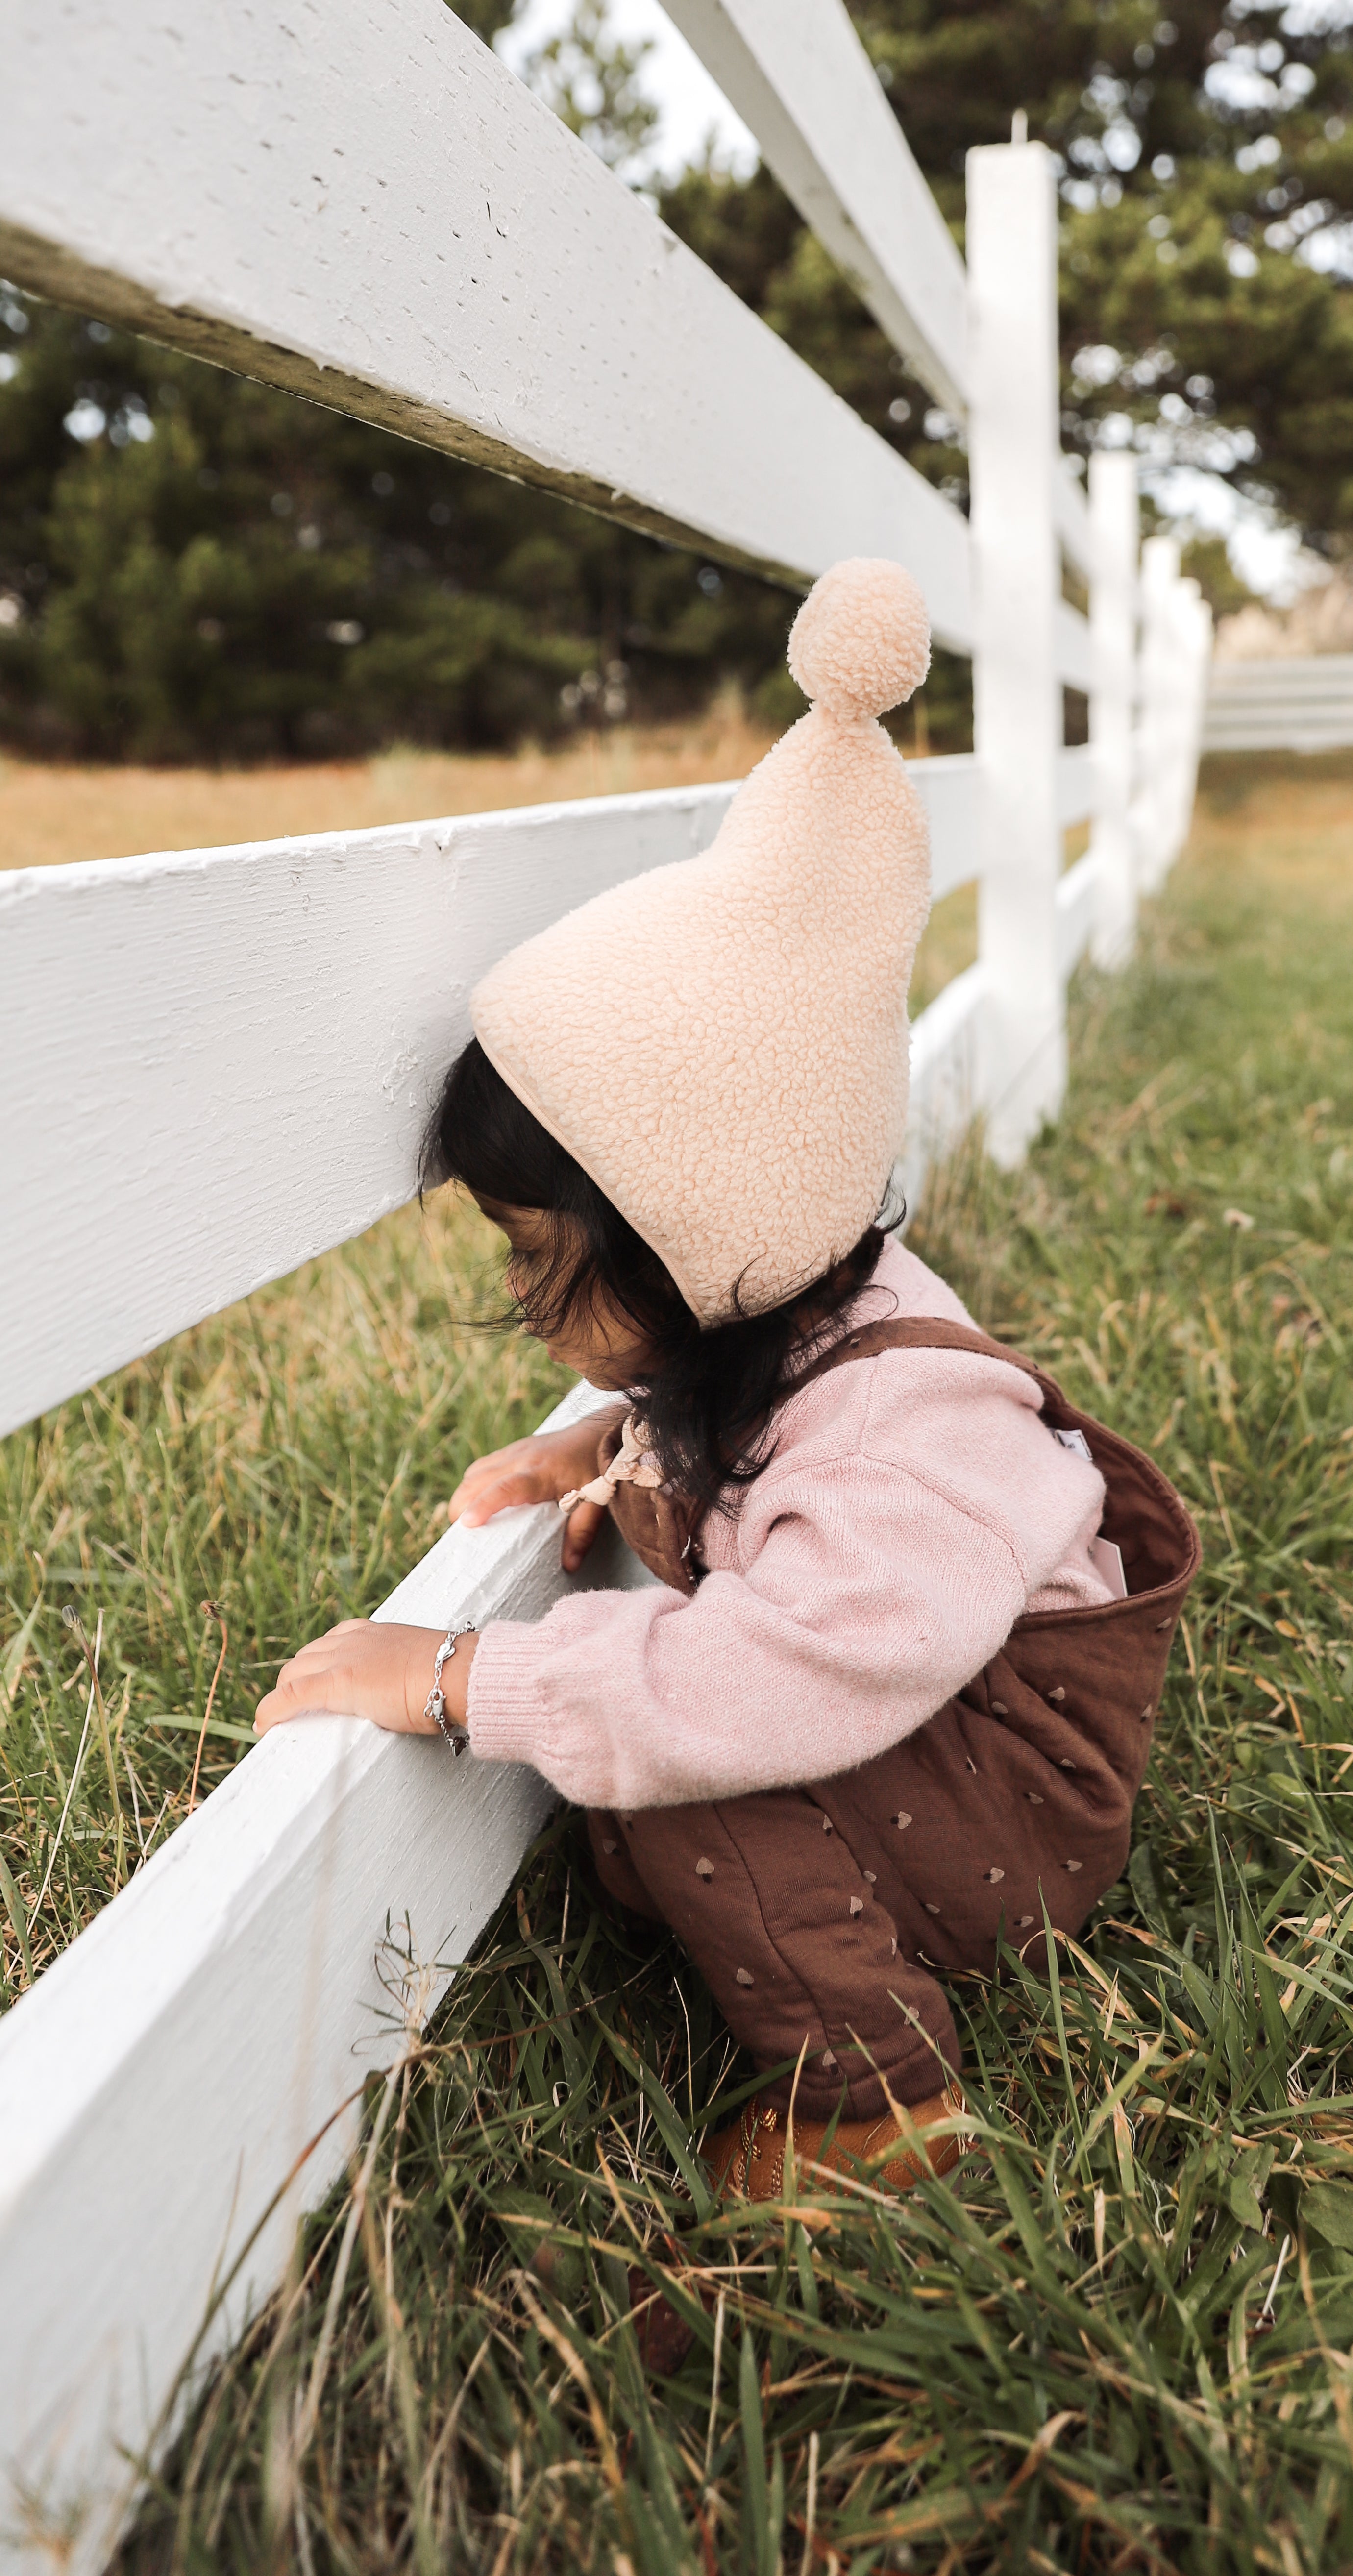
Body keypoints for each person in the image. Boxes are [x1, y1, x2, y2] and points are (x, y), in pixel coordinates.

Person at [257, 557, 1199, 2202]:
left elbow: (761, 1677)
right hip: (936, 1705)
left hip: (1016, 1792)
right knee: (656, 1784)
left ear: (700, 1244)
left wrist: (468, 1678)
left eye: (540, 1261)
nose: (516, 1298)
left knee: (704, 1778)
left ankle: (876, 2101)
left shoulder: (901, 1447)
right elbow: (753, 1447)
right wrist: (597, 1463)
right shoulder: (797, 1313)